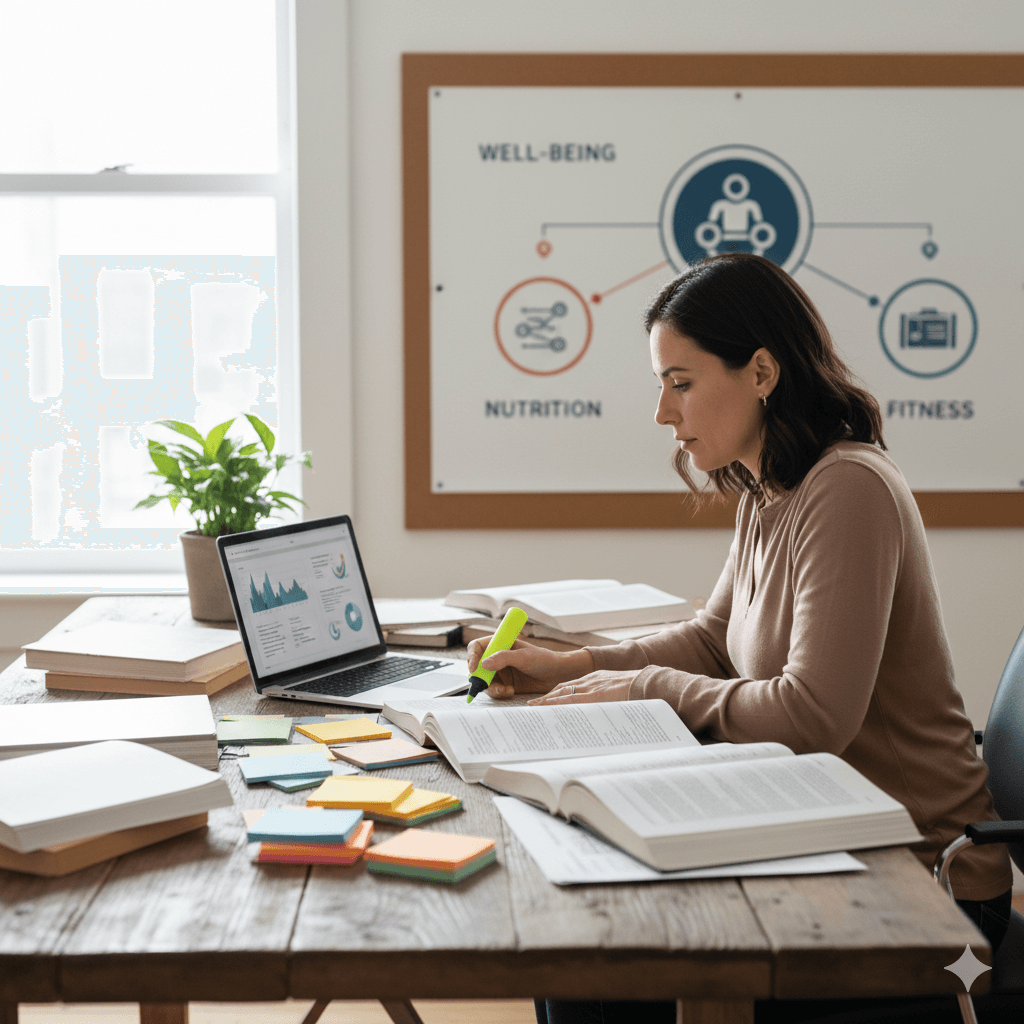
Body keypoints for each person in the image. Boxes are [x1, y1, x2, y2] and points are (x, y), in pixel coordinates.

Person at [466, 253, 1013, 1024]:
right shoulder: (772, 486)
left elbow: (816, 714)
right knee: (584, 956)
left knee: (602, 984)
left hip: (926, 885)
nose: (663, 412)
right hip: (833, 836)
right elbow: (713, 640)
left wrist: (644, 685)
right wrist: (570, 667)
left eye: (681, 383)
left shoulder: (848, 488)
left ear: (762, 372)